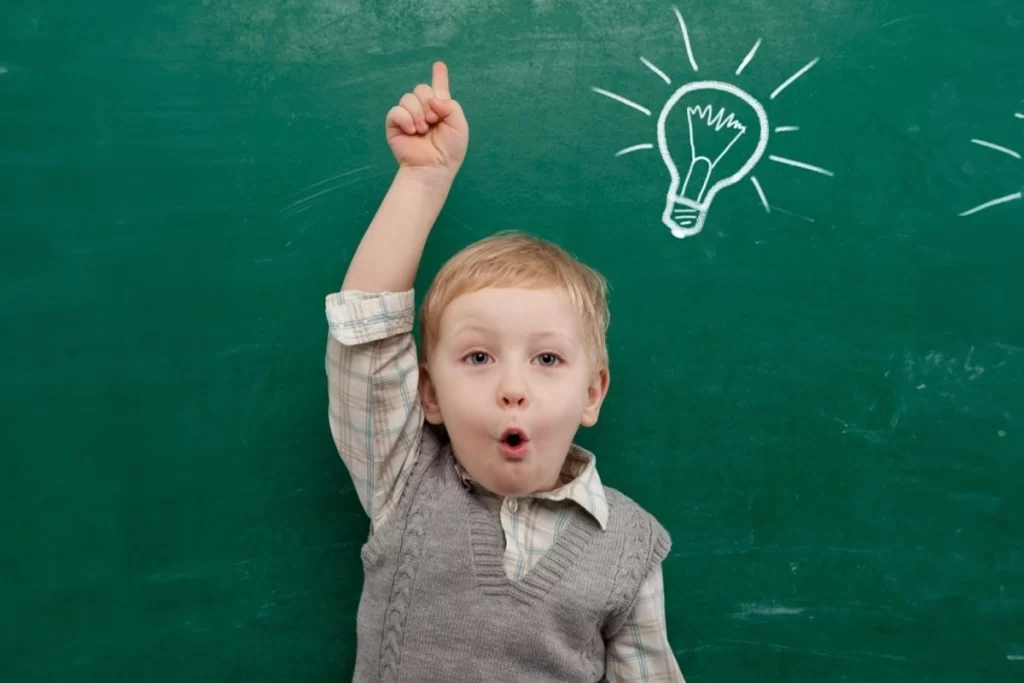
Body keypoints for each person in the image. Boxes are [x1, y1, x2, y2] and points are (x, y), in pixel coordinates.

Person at [325, 60, 685, 682]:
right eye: (478, 357)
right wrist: (423, 179)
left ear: (592, 392)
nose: (512, 388)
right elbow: (367, 334)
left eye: (547, 359)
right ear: (430, 394)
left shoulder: (630, 546)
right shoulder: (402, 480)